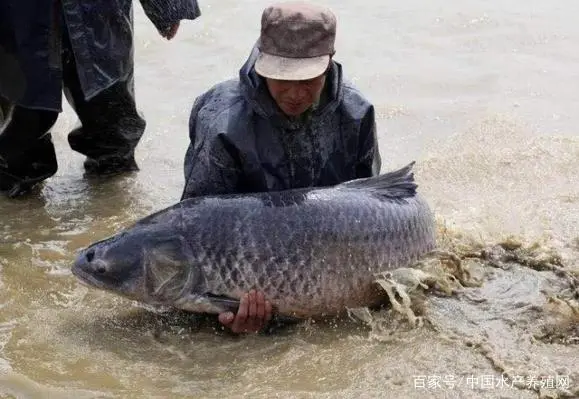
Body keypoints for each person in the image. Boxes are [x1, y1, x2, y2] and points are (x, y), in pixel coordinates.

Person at [180, 2, 382, 334]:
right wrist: (224, 307)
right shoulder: (222, 123)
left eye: (308, 80)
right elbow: (198, 227)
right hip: (249, 260)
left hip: (331, 249)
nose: (294, 93)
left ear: (328, 63)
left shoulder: (357, 113)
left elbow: (369, 206)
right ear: (262, 62)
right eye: (281, 78)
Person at [0, 0, 202, 198]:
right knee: (19, 125)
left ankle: (111, 204)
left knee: (111, 118)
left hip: (98, 15)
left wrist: (168, 7)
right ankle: (18, 207)